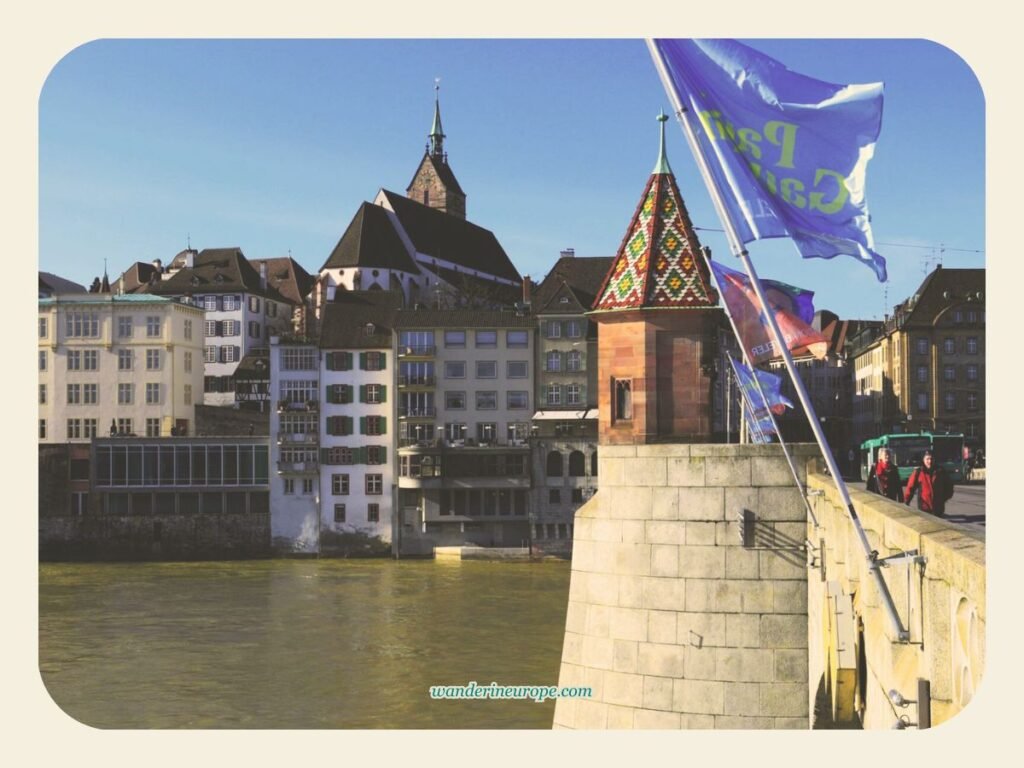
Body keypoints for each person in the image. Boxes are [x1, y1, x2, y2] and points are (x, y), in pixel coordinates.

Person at [905, 450, 954, 517]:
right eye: (927, 459)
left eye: (931, 459)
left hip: (938, 508)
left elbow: (949, 486)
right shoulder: (918, 472)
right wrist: (906, 502)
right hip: (924, 507)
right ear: (923, 460)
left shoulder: (941, 471)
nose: (930, 461)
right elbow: (910, 488)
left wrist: (943, 499)